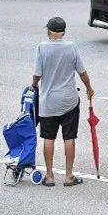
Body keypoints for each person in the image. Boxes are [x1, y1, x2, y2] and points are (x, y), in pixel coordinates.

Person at [32, 17, 95, 187]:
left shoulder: (42, 48)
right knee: (69, 137)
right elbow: (82, 72)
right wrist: (89, 88)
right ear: (63, 32)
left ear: (49, 31)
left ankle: (50, 176)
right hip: (69, 100)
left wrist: (33, 86)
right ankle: (68, 176)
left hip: (48, 102)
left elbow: (37, 74)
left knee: (48, 138)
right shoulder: (71, 47)